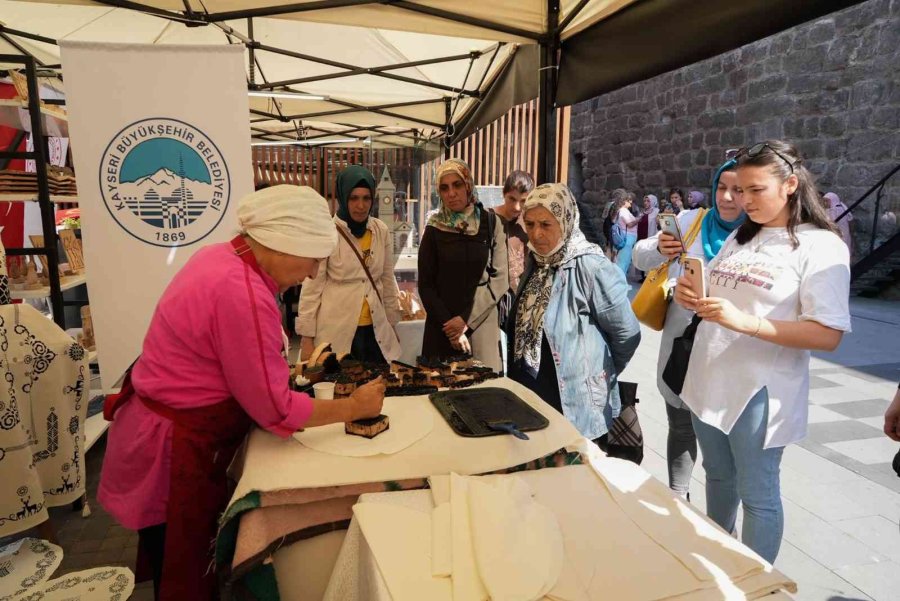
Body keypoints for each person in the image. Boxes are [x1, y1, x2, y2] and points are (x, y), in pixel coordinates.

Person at [98, 185, 386, 600]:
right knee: (184, 570)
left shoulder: (222, 256)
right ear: (286, 244)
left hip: (156, 430)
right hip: (177, 450)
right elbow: (275, 410)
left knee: (172, 560)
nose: (310, 273)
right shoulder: (243, 291)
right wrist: (353, 407)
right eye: (312, 260)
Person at [675, 140, 851, 563]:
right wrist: (689, 294)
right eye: (738, 189)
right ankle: (720, 560)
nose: (742, 200)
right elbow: (716, 289)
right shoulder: (742, 235)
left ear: (790, 184)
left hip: (759, 390)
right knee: (717, 478)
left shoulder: (821, 246)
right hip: (708, 375)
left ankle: (758, 584)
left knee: (758, 493)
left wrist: (747, 323)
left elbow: (828, 334)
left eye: (755, 190)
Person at [632, 159, 745, 498]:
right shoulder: (690, 221)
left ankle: (720, 513)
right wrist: (659, 248)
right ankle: (677, 497)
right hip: (682, 344)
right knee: (680, 427)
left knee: (717, 442)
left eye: (738, 190)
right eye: (721, 187)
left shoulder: (756, 235)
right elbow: (640, 256)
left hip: (726, 353)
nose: (727, 197)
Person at [507, 183, 641, 444]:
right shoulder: (536, 261)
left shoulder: (591, 267)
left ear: (565, 220)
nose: (536, 234)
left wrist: (598, 375)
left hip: (574, 406)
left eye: (546, 224)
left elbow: (627, 333)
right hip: (530, 397)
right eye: (530, 224)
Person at [297, 165, 402, 364]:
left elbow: (387, 280)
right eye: (354, 198)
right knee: (340, 389)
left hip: (375, 330)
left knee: (379, 388)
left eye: (366, 198)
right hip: (337, 331)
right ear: (343, 198)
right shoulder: (328, 232)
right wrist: (306, 339)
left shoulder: (380, 231)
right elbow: (311, 288)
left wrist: (392, 325)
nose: (360, 206)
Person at [418, 159, 508, 370]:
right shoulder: (434, 229)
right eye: (444, 187)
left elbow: (500, 279)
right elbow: (426, 285)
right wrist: (451, 327)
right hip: (442, 328)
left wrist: (466, 321)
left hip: (480, 325)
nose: (451, 193)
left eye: (457, 184)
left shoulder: (492, 224)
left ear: (468, 184)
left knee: (483, 395)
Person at [493, 170, 535, 320]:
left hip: (519, 296)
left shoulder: (530, 222)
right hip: (492, 298)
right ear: (504, 194)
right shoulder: (489, 219)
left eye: (523, 201)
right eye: (512, 199)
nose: (517, 207)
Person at [614, 194, 639, 276]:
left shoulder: (622, 211)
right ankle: (619, 283)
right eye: (629, 200)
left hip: (627, 237)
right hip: (627, 238)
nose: (631, 202)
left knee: (624, 260)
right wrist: (638, 219)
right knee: (623, 261)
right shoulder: (623, 211)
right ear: (624, 201)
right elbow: (630, 224)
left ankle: (621, 282)